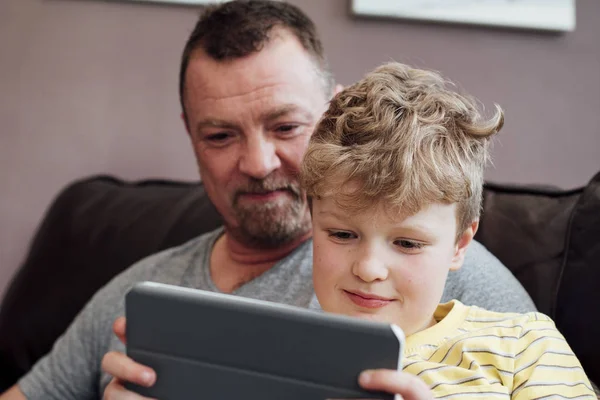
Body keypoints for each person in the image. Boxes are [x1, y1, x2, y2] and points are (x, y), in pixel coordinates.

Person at [0, 1, 535, 399]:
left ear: (332, 114)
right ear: (190, 136)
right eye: (219, 136)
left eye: (284, 125)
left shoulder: (437, 274)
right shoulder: (137, 294)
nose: (257, 163)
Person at [299, 62, 595, 399]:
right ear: (313, 222)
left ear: (459, 245)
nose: (368, 268)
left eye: (407, 243)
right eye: (341, 234)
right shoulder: (279, 353)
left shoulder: (522, 344)